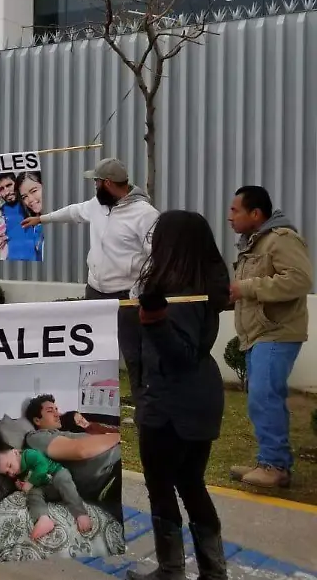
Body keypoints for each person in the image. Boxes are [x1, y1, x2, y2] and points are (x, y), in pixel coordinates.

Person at [126, 210, 230, 580]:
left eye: (158, 235)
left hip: (173, 404)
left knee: (162, 485)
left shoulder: (181, 291)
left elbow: (181, 355)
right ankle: (213, 572)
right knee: (190, 483)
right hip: (199, 397)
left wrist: (154, 320)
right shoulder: (201, 283)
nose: (152, 241)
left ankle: (171, 571)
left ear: (172, 242)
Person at [21, 158, 159, 402]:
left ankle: (142, 400)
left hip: (126, 295)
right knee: (93, 348)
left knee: (133, 351)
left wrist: (140, 289)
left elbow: (155, 255)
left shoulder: (145, 214)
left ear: (107, 183)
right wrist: (41, 219)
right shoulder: (98, 205)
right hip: (95, 289)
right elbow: (73, 211)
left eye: (96, 182)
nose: (94, 187)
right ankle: (93, 398)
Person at [227, 185, 312, 489]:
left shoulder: (281, 240)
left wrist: (246, 288)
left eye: (235, 210)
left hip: (276, 333)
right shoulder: (253, 244)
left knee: (265, 396)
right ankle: (269, 460)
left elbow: (300, 280)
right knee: (261, 398)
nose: (229, 217)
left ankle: (274, 465)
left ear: (256, 213)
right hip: (258, 334)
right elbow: (254, 288)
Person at [23, 394, 123, 521]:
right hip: (110, 476)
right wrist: (119, 437)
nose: (57, 414)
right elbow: (81, 450)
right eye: (50, 411)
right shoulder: (36, 437)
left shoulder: (61, 432)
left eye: (56, 409)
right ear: (37, 420)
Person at [0, 446, 90, 541]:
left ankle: (80, 513)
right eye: (7, 473)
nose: (11, 472)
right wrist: (21, 486)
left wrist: (29, 483)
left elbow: (42, 466)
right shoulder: (19, 474)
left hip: (56, 475)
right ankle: (43, 519)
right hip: (48, 489)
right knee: (33, 494)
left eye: (9, 465)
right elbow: (30, 486)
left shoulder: (29, 455)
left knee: (62, 478)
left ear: (15, 452)